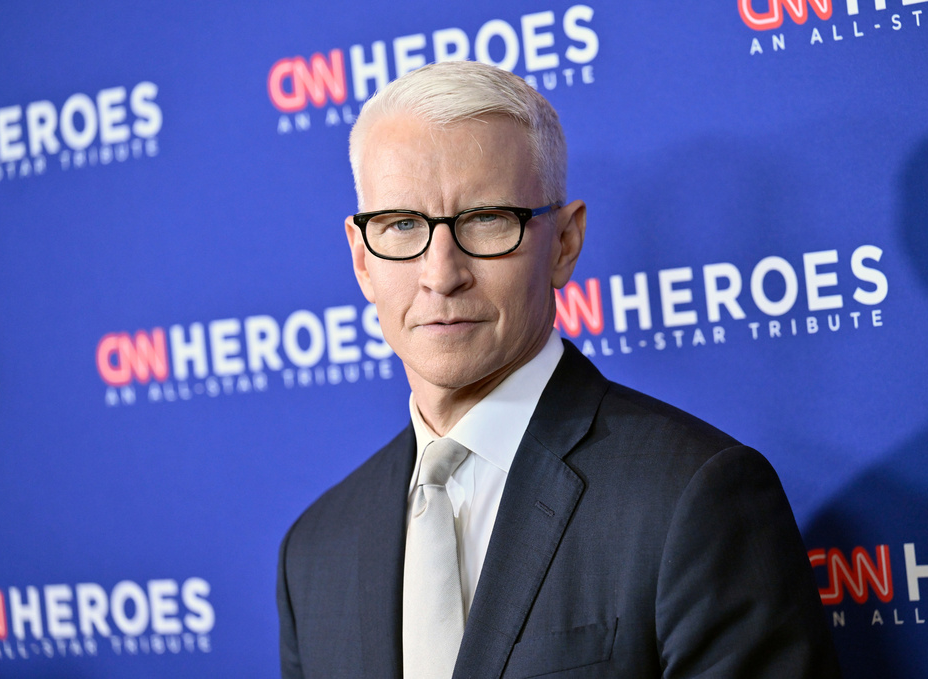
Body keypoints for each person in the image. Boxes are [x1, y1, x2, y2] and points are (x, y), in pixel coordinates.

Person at [277, 60, 841, 679]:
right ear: (362, 261)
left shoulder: (694, 497)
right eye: (402, 225)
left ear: (565, 245)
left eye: (487, 220)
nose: (441, 274)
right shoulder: (315, 551)